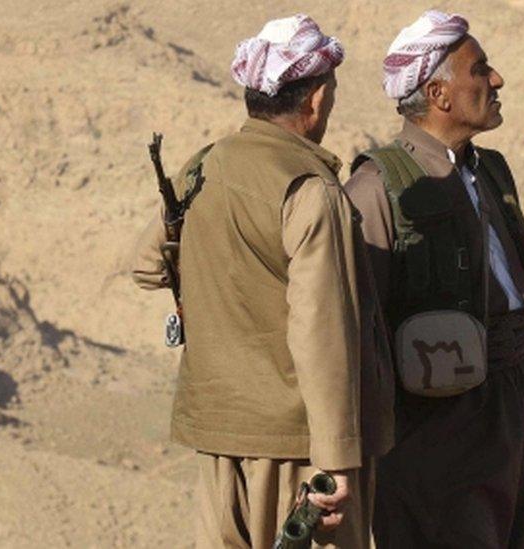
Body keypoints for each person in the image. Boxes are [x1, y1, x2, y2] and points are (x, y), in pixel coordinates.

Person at [130, 14, 394, 548]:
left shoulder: (204, 165)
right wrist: (338, 462)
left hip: (220, 437)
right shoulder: (311, 191)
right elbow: (322, 335)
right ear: (316, 98)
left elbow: (146, 264)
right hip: (297, 449)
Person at [344, 10, 524, 548]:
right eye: (481, 70)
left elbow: (495, 269)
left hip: (521, 406)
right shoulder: (376, 188)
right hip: (440, 430)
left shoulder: (490, 170)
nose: (496, 81)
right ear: (439, 93)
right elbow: (356, 328)